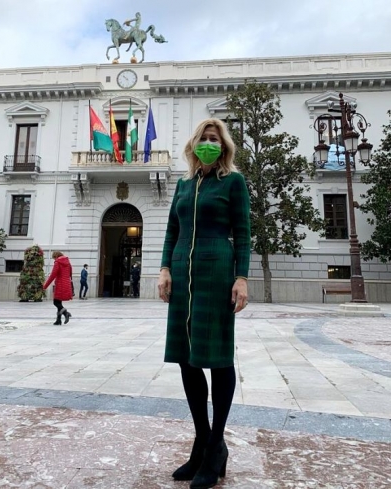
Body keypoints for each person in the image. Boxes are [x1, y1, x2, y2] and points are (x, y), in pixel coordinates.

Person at [158, 118, 251, 488]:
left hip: (217, 272)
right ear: (194, 146)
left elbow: (243, 233)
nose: (209, 144)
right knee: (186, 358)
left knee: (217, 358)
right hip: (182, 273)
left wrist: (241, 277)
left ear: (223, 146)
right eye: (204, 139)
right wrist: (165, 268)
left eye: (215, 139)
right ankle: (202, 442)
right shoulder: (183, 185)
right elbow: (171, 231)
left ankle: (215, 447)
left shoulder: (233, 182)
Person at [43, 251, 73, 325]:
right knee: (59, 302)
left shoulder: (57, 262)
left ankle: (66, 313)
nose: (54, 260)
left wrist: (45, 286)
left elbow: (53, 275)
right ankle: (58, 320)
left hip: (60, 285)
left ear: (56, 256)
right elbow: (70, 274)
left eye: (54, 258)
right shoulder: (68, 262)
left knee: (55, 302)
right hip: (66, 284)